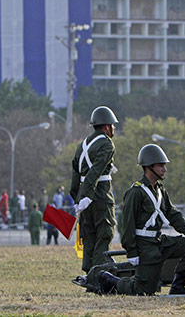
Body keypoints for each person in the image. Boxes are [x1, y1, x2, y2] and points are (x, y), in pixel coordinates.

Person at [97, 144, 185, 296]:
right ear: (149, 166)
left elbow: (173, 215)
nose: (164, 169)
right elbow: (127, 225)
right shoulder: (136, 192)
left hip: (160, 242)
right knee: (143, 291)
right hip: (144, 247)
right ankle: (110, 281)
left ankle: (178, 286)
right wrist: (132, 251)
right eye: (161, 165)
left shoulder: (160, 190)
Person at [70, 106, 119, 273]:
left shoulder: (81, 145)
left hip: (85, 196)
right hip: (99, 195)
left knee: (89, 236)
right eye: (113, 125)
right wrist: (88, 196)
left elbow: (76, 174)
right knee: (104, 234)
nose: (114, 128)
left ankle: (88, 272)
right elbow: (96, 171)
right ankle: (98, 274)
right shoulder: (107, 144)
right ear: (106, 126)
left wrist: (77, 198)